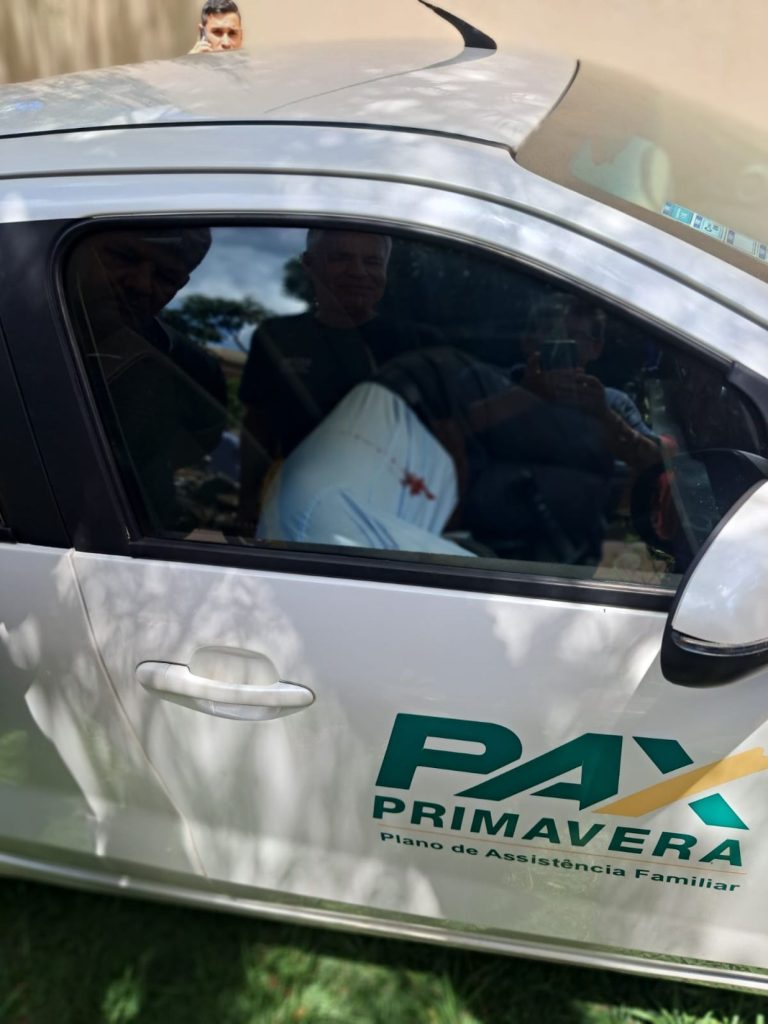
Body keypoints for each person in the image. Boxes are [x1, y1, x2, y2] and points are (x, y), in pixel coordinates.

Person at [238, 228, 426, 524]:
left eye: (372, 262)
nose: (358, 272)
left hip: (386, 515)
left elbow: (439, 435)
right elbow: (256, 430)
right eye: (340, 258)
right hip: (290, 508)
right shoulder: (276, 338)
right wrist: (247, 504)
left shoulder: (409, 343)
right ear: (309, 264)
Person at [69, 228, 228, 531]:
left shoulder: (189, 367)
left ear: (181, 285)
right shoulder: (14, 328)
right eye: (124, 257)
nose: (141, 284)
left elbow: (195, 444)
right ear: (75, 250)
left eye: (166, 277)